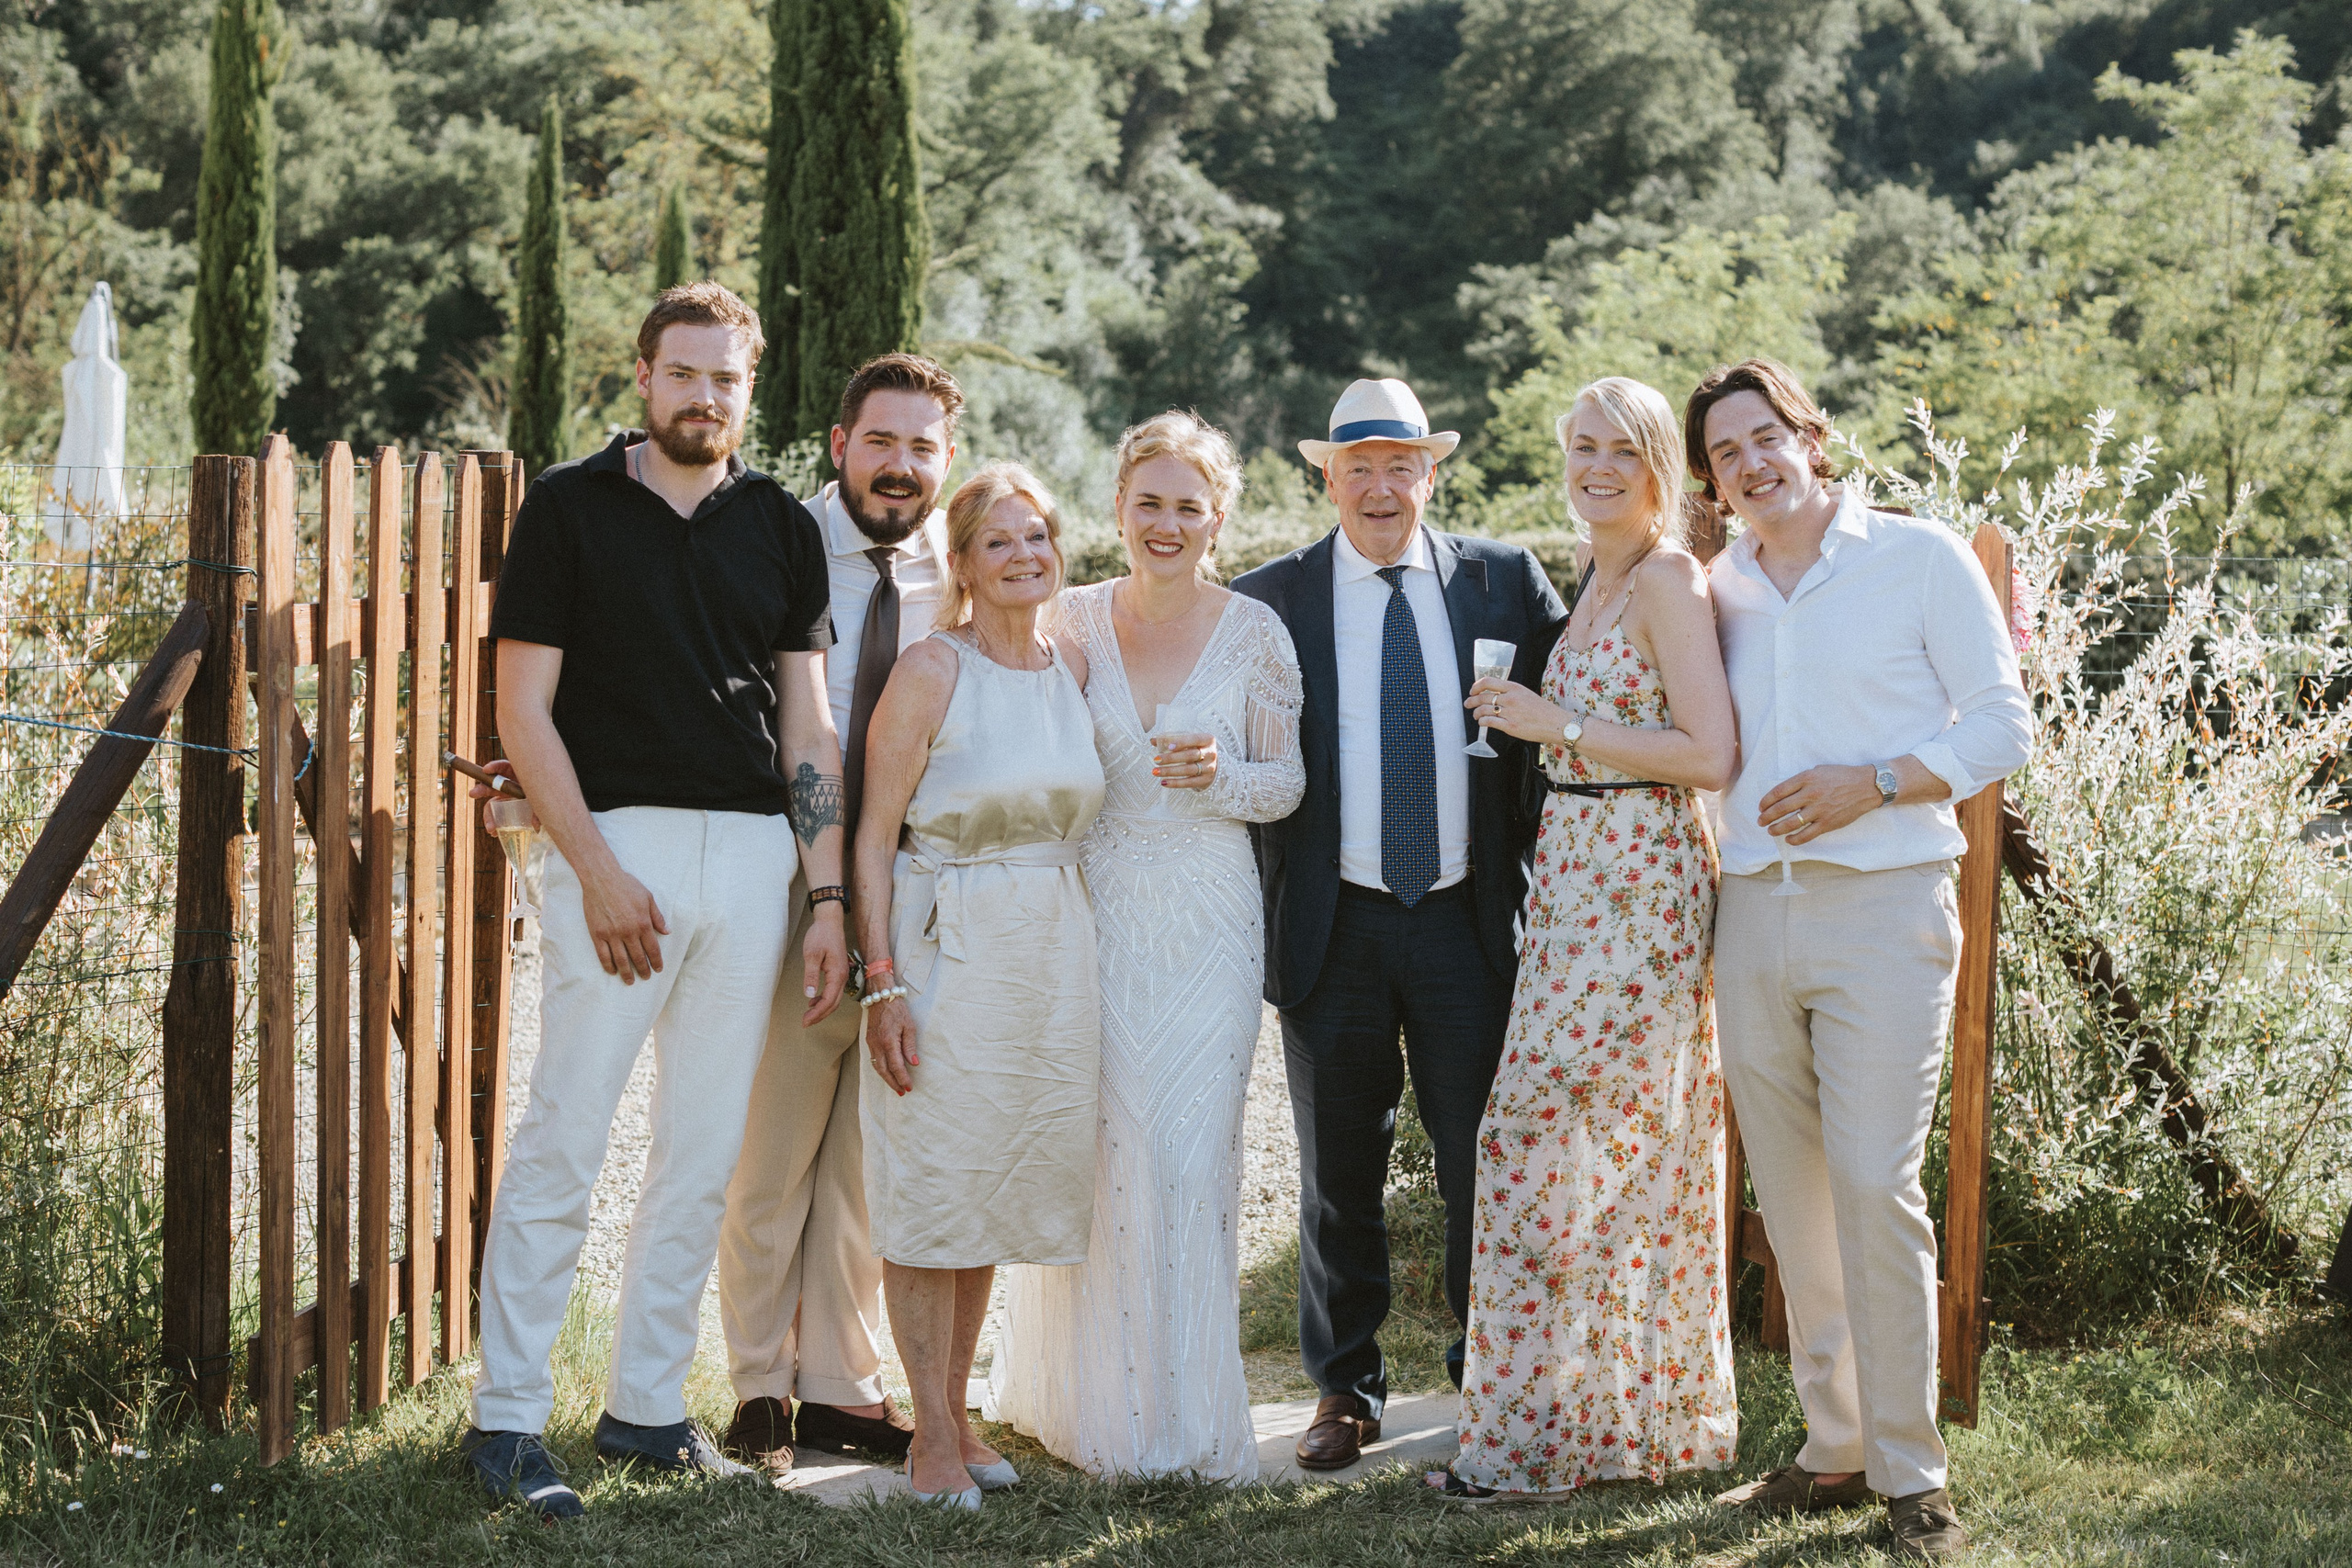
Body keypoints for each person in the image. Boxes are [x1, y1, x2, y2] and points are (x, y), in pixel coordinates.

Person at [459, 282, 849, 1518]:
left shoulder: (780, 523)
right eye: (684, 372)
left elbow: (808, 725)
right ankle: (506, 1420)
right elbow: (522, 708)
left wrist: (826, 896)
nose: (704, 396)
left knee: (701, 1154)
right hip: (615, 844)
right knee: (566, 1137)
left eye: (726, 378)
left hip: (753, 858)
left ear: (749, 387)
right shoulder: (569, 507)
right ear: (643, 375)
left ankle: (645, 1409)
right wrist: (597, 872)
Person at [1692, 359, 2029, 1560]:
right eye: (1725, 454)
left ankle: (1912, 1474)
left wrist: (1873, 781)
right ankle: (1832, 1447)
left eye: (1765, 436)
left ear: (1810, 436)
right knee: (1791, 1195)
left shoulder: (1917, 556)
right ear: (1713, 483)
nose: (1751, 463)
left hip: (1886, 909)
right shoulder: (1717, 587)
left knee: (1876, 1183)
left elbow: (2003, 723)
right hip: (1751, 913)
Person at [1231, 378, 1567, 1471]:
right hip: (1334, 925)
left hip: (1469, 922)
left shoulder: (1504, 581)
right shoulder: (1269, 598)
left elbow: (1579, 701)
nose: (1380, 488)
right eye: (1358, 468)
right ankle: (1346, 1388)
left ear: (1432, 474)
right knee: (1338, 1177)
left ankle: (1492, 1373)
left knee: (1486, 1164)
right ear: (1327, 479)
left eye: (1400, 466)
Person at [1430, 377, 1738, 1497]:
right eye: (1582, 448)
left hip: (1641, 880)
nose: (1597, 467)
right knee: (1571, 1151)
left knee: (1552, 1142)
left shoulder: (1667, 579)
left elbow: (1708, 754)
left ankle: (1563, 1436)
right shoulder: (1594, 576)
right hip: (1571, 878)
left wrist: (1553, 722)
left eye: (1621, 449)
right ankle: (1583, 1427)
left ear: (1658, 466)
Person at [986, 412, 1306, 1481]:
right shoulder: (1067, 618)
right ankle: (1086, 1406)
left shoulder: (1255, 631)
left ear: (1219, 519)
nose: (1167, 524)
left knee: (1186, 1156)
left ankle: (1183, 1414)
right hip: (1096, 914)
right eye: (1149, 502)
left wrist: (1222, 776)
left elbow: (1285, 784)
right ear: (1119, 507)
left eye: (1188, 507)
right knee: (1103, 1152)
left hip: (1210, 920)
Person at [712, 354, 964, 1475]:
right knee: (770, 1145)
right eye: (881, 443)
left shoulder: (959, 571)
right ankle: (757, 1386)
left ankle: (840, 1389)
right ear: (838, 444)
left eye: (922, 448)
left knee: (871, 1153)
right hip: (787, 880)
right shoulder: (776, 543)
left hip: (910, 890)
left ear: (946, 460)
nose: (899, 467)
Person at [854, 462, 1106, 1508]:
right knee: (933, 1184)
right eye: (997, 541)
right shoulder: (931, 669)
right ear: (960, 563)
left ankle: (955, 1412)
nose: (1022, 556)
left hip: (1048, 954)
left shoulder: (1072, 665)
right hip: (942, 947)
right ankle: (926, 1436)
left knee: (992, 1184)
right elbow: (873, 836)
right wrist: (880, 982)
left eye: (1035, 536)